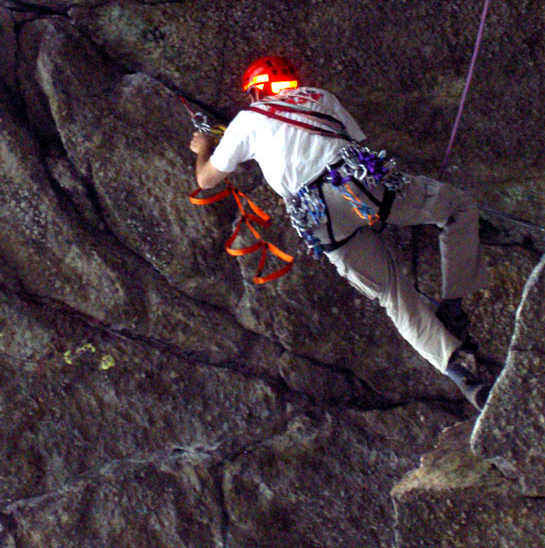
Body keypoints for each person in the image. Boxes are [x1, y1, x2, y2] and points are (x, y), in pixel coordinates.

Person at [189, 56, 493, 410]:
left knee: (393, 296)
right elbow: (357, 145)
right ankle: (453, 308)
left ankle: (461, 373)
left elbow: (205, 180)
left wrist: (203, 149)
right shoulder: (321, 97)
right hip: (359, 184)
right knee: (457, 208)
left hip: (317, 216)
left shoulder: (247, 121)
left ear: (255, 91)